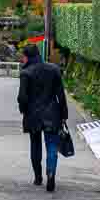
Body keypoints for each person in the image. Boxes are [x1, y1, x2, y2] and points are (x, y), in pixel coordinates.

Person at [17, 43, 68, 191]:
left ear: (28, 57)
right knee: (52, 145)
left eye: (23, 57)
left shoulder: (26, 73)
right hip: (52, 113)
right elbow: (61, 95)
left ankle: (38, 177)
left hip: (33, 114)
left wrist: (23, 110)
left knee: (35, 145)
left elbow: (22, 97)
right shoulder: (54, 69)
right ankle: (51, 173)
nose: (22, 60)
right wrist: (64, 114)